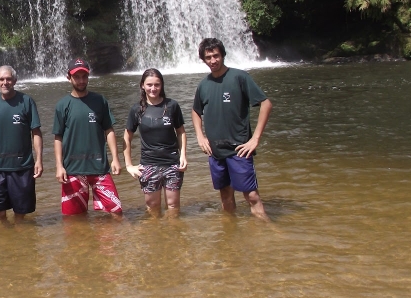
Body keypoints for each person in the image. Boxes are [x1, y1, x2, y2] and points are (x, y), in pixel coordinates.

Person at [191, 38, 272, 220]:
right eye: (208, 57)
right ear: (203, 60)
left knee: (251, 196)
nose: (213, 61)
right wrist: (200, 137)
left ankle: (269, 235)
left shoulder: (239, 77)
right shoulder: (203, 85)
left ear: (223, 55)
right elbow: (196, 111)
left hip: (239, 149)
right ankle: (230, 239)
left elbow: (266, 104)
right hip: (215, 151)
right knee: (225, 196)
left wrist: (255, 139)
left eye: (216, 56)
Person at [53, 58, 123, 215]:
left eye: (84, 76)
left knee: (116, 212)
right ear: (68, 78)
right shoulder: (62, 105)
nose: (81, 80)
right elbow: (58, 137)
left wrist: (116, 159)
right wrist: (59, 166)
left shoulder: (99, 101)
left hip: (100, 168)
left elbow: (109, 130)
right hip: (73, 169)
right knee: (73, 219)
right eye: (76, 77)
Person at [0, 65, 43, 221]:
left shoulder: (26, 101)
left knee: (20, 213)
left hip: (22, 167)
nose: (5, 82)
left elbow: (36, 132)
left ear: (15, 81)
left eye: (8, 79)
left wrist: (39, 160)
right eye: (1, 79)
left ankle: (20, 243)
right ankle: (4, 242)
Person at [123, 68, 188, 216]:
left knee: (173, 206)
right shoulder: (137, 110)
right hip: (148, 165)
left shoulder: (172, 106)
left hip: (172, 164)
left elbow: (181, 132)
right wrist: (128, 165)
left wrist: (183, 155)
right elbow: (127, 137)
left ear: (162, 85)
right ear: (142, 85)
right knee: (152, 208)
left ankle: (172, 236)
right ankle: (155, 237)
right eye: (149, 85)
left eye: (157, 85)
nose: (153, 88)